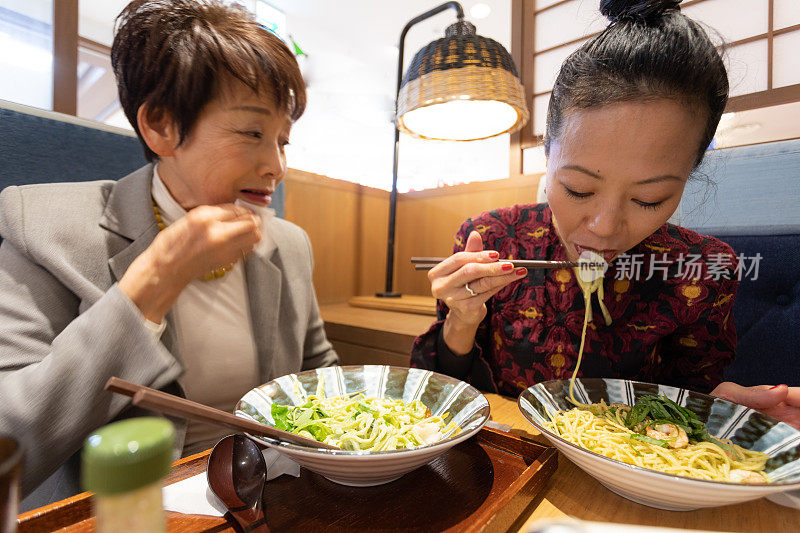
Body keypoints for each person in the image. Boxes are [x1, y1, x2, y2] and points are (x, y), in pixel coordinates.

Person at [0, 0, 337, 506]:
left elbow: (318, 370)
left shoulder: (288, 244)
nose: (276, 167)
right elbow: (12, 448)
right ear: (160, 125)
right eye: (252, 133)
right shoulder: (45, 227)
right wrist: (154, 282)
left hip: (272, 494)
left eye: (282, 141)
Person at [410, 0, 799, 429]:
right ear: (547, 152)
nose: (605, 227)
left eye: (649, 199)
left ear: (690, 174)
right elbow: (444, 389)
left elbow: (690, 398)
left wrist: (723, 411)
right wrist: (463, 319)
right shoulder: (493, 237)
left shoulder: (702, 270)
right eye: (579, 189)